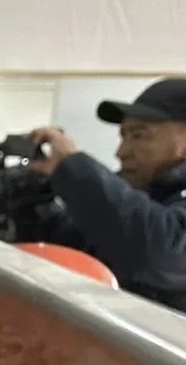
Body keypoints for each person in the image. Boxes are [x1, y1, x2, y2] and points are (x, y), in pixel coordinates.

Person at [30, 78, 186, 309]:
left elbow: (161, 256)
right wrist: (35, 203)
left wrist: (72, 166)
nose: (121, 152)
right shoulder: (141, 196)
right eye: (123, 137)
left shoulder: (154, 218)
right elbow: (80, 247)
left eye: (139, 135)